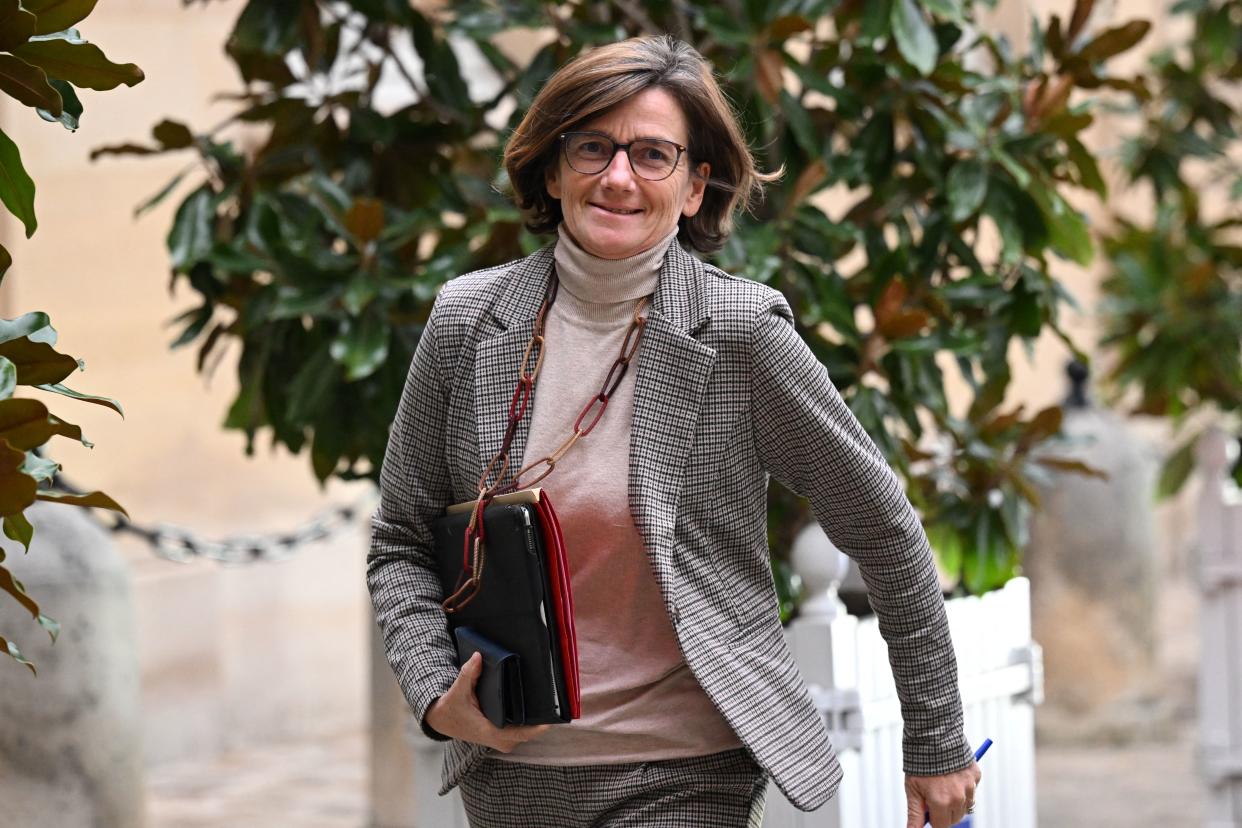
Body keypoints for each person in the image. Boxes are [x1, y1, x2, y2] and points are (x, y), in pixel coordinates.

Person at [368, 34, 981, 828]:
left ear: (695, 187)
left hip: (683, 773)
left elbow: (884, 526)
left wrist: (936, 742)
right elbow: (400, 543)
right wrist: (434, 696)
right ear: (552, 170)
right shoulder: (466, 322)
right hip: (509, 774)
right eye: (593, 147)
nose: (618, 176)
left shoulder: (740, 335)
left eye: (652, 155)